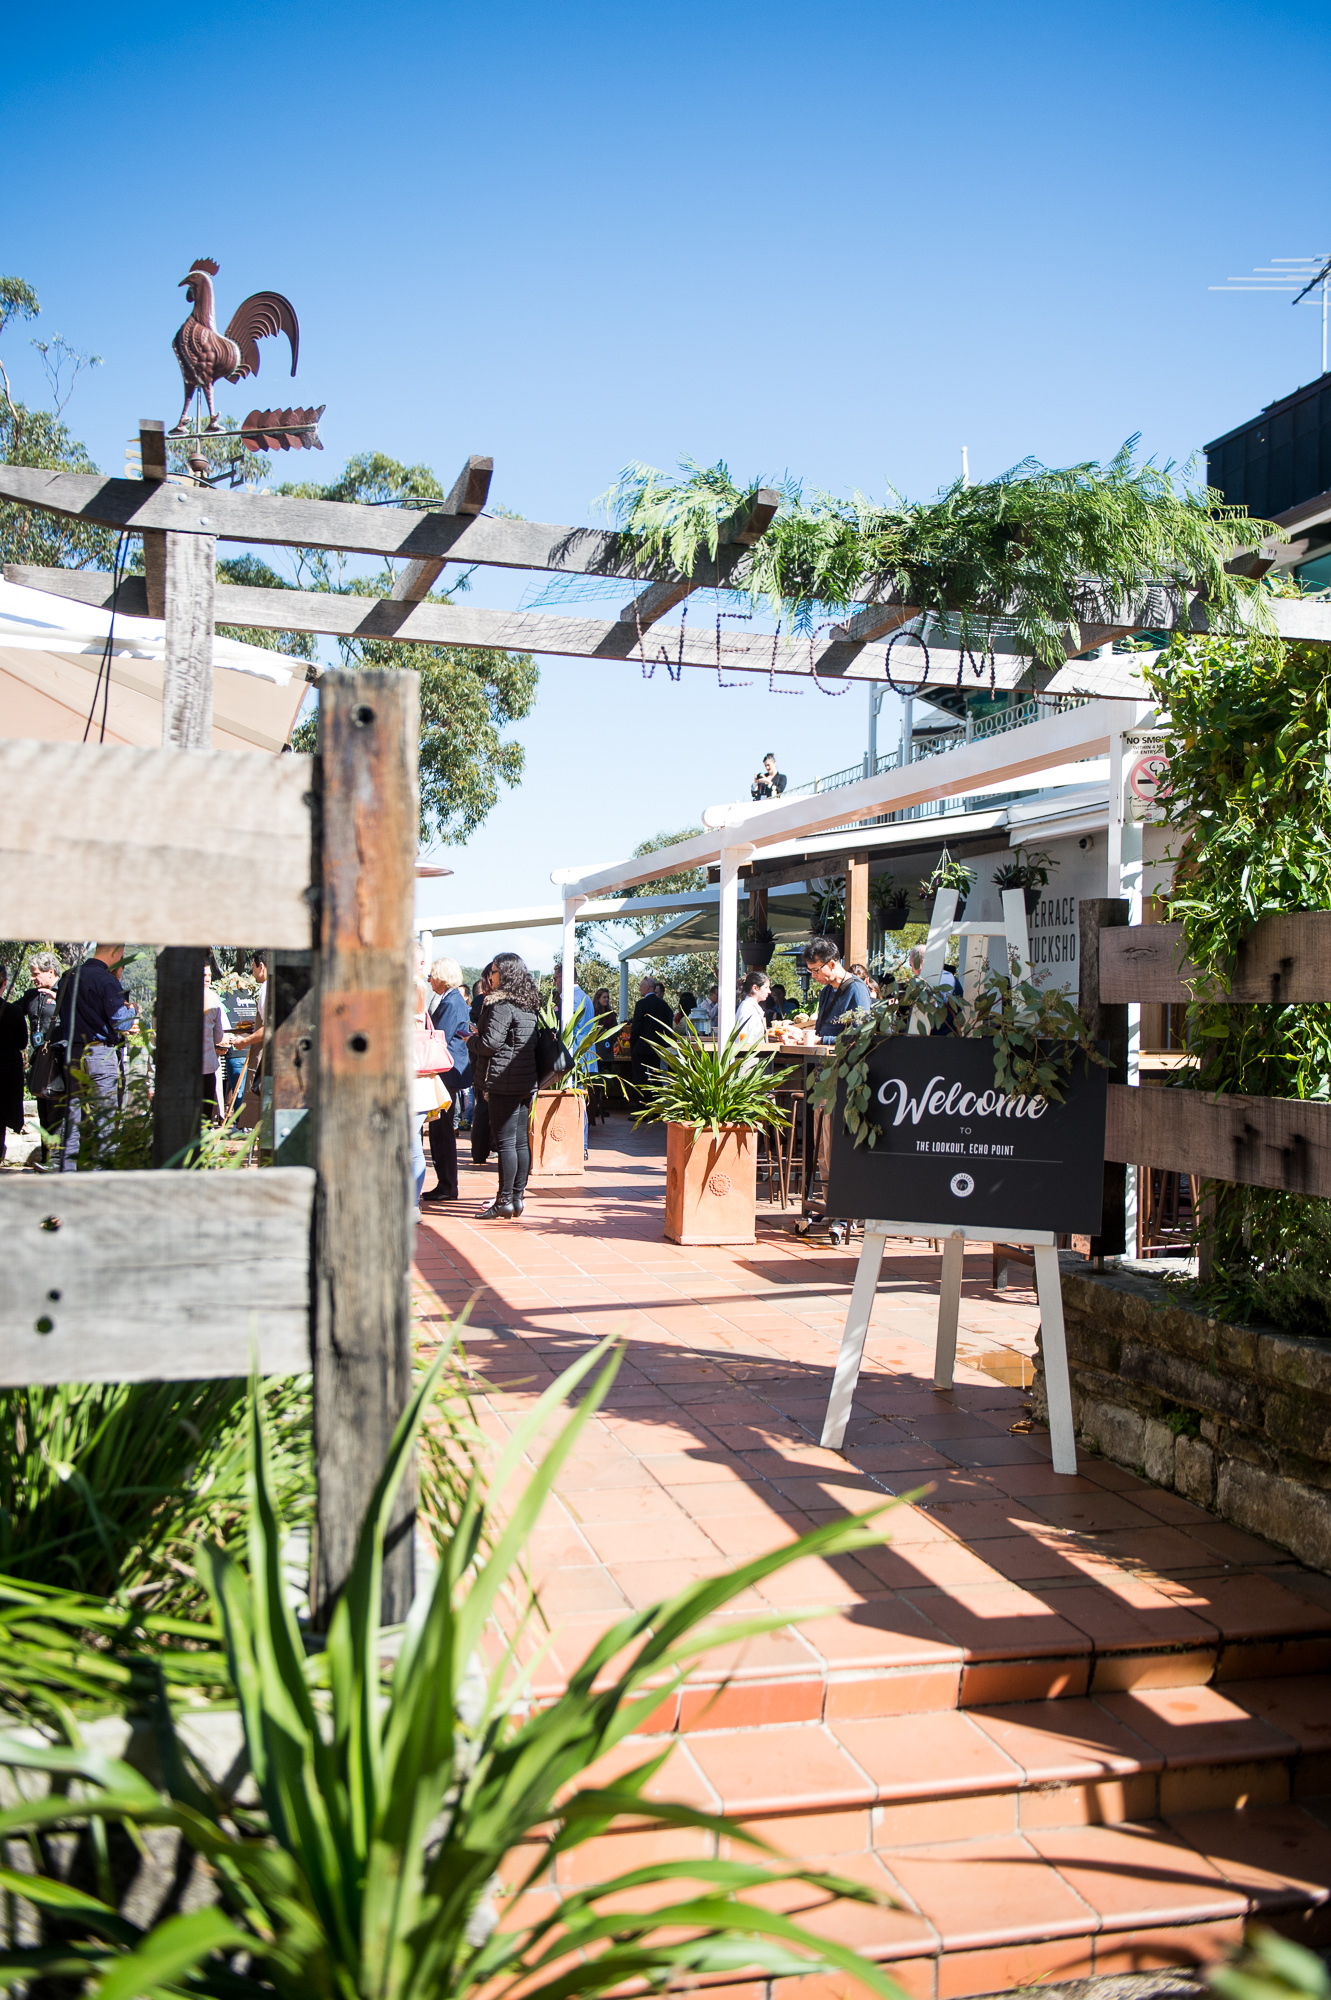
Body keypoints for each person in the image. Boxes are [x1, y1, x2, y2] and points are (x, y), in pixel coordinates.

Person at [53, 943, 137, 1171]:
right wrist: (133, 1010)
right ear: (116, 952)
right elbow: (122, 1023)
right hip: (100, 1054)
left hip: (73, 1052)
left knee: (72, 1117)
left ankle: (67, 1173)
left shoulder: (68, 976)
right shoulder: (106, 980)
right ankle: (102, 1177)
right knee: (105, 1119)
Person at [474, 950, 540, 1219]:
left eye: (494, 972)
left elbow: (490, 1044)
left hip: (503, 1082)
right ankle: (517, 1198)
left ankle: (504, 1200)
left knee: (505, 1144)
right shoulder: (529, 1004)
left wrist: (470, 1041)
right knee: (520, 1143)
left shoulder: (501, 1005)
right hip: (525, 1082)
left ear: (505, 974)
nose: (491, 977)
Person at [421, 955, 471, 1207]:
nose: (429, 980)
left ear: (442, 977)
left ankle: (447, 1185)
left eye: (432, 975)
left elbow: (440, 1035)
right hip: (449, 1072)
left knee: (442, 1132)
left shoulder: (451, 1002)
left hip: (448, 1073)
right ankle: (446, 1184)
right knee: (440, 1130)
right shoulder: (451, 999)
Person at [19, 952, 61, 1162]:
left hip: (59, 1063)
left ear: (50, 972)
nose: (33, 978)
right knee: (43, 1115)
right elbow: (12, 1012)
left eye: (36, 974)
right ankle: (46, 1160)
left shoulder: (65, 992)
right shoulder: (31, 995)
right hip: (39, 1060)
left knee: (57, 1116)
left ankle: (57, 1163)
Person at [807, 936, 874, 1044]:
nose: (813, 976)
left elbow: (861, 1037)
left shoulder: (857, 989)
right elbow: (820, 1030)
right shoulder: (826, 990)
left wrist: (822, 1040)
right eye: (810, 971)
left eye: (816, 970)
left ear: (832, 964)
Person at [468, 962, 496, 1166]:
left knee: (482, 1108)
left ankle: (479, 1152)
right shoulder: (487, 1002)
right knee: (486, 1108)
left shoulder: (480, 1001)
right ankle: (486, 1148)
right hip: (487, 1060)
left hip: (480, 1059)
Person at [628, 975, 674, 1099]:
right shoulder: (664, 1005)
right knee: (657, 1078)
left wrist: (633, 1043)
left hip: (641, 1048)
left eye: (641, 986)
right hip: (658, 1048)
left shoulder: (641, 1004)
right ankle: (657, 1105)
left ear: (647, 987)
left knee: (640, 1078)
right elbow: (669, 1026)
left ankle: (642, 1106)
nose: (639, 989)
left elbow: (636, 1026)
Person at [733, 969, 770, 1050]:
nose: (769, 991)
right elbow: (743, 1039)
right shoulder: (748, 1009)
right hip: (749, 1056)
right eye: (766, 987)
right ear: (755, 988)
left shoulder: (751, 1007)